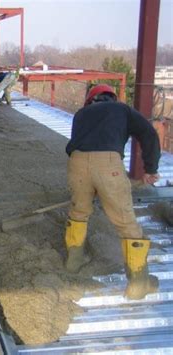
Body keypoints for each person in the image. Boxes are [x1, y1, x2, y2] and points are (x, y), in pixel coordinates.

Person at [64, 84, 161, 300]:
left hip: (76, 163)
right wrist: (151, 168)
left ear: (91, 100)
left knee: (79, 212)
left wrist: (93, 184)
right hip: (108, 164)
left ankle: (73, 264)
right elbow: (149, 134)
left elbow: (86, 145)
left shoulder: (81, 114)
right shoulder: (121, 109)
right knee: (126, 222)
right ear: (112, 97)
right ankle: (138, 283)